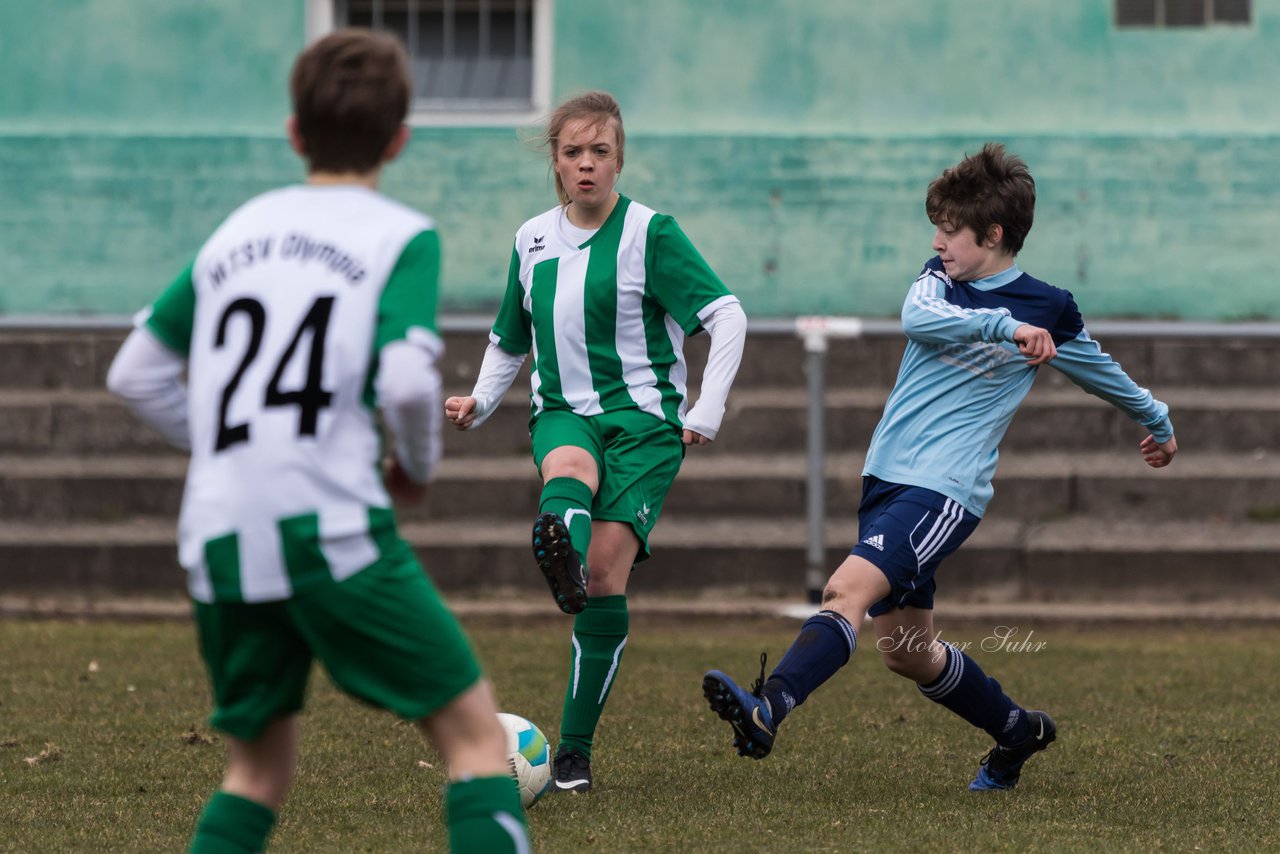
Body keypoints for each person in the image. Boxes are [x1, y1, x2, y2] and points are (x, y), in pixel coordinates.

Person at [106, 30, 529, 853]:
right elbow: (409, 382)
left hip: (220, 529)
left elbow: (134, 373)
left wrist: (234, 448)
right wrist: (416, 464)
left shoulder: (236, 231)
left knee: (256, 770)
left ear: (295, 132)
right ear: (400, 138)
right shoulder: (399, 234)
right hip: (326, 526)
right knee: (477, 742)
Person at [702, 142, 1178, 791]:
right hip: (887, 480)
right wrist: (1004, 330)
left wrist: (1158, 421)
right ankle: (1017, 730)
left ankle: (770, 706)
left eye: (950, 229)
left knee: (846, 592)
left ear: (994, 234)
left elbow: (1101, 371)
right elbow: (918, 318)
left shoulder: (1051, 308)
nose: (938, 238)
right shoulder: (939, 281)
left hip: (944, 491)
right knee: (907, 652)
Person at [445, 90, 747, 794]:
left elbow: (726, 315)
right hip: (564, 412)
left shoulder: (651, 233)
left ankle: (573, 750)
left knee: (607, 580)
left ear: (619, 159)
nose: (586, 165)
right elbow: (509, 339)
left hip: (645, 425)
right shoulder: (531, 239)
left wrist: (708, 407)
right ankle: (560, 548)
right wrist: (480, 400)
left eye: (599, 152)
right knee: (569, 468)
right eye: (573, 152)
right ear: (555, 161)